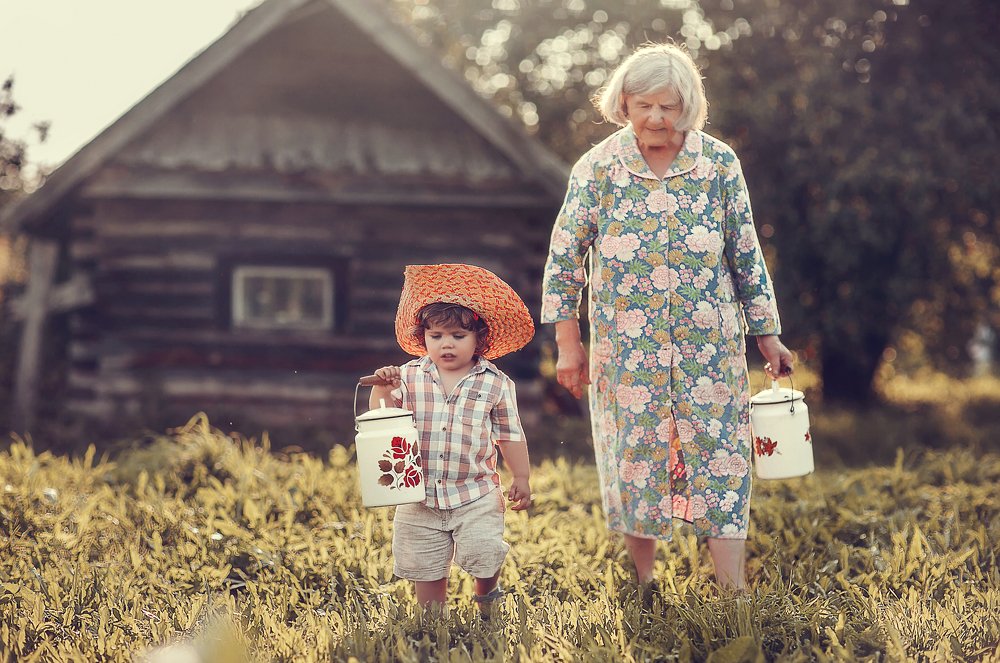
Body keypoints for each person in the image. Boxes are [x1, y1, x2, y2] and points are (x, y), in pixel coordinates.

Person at [540, 42, 795, 592]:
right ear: (624, 103)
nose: (656, 117)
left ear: (689, 106)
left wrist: (768, 336)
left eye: (668, 106)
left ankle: (732, 588)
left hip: (711, 349)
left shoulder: (720, 164)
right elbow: (564, 260)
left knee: (722, 457)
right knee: (635, 457)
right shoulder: (599, 168)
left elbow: (745, 253)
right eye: (644, 104)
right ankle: (642, 579)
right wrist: (568, 344)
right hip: (626, 353)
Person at [369, 263, 536, 617]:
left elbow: (509, 434)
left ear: (479, 338)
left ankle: (487, 596)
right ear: (424, 337)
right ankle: (432, 618)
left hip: (475, 491)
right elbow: (383, 417)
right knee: (425, 558)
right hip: (419, 491)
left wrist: (521, 476)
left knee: (483, 552)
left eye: (458, 337)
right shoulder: (409, 375)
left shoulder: (495, 383)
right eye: (436, 337)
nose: (446, 345)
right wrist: (383, 388)